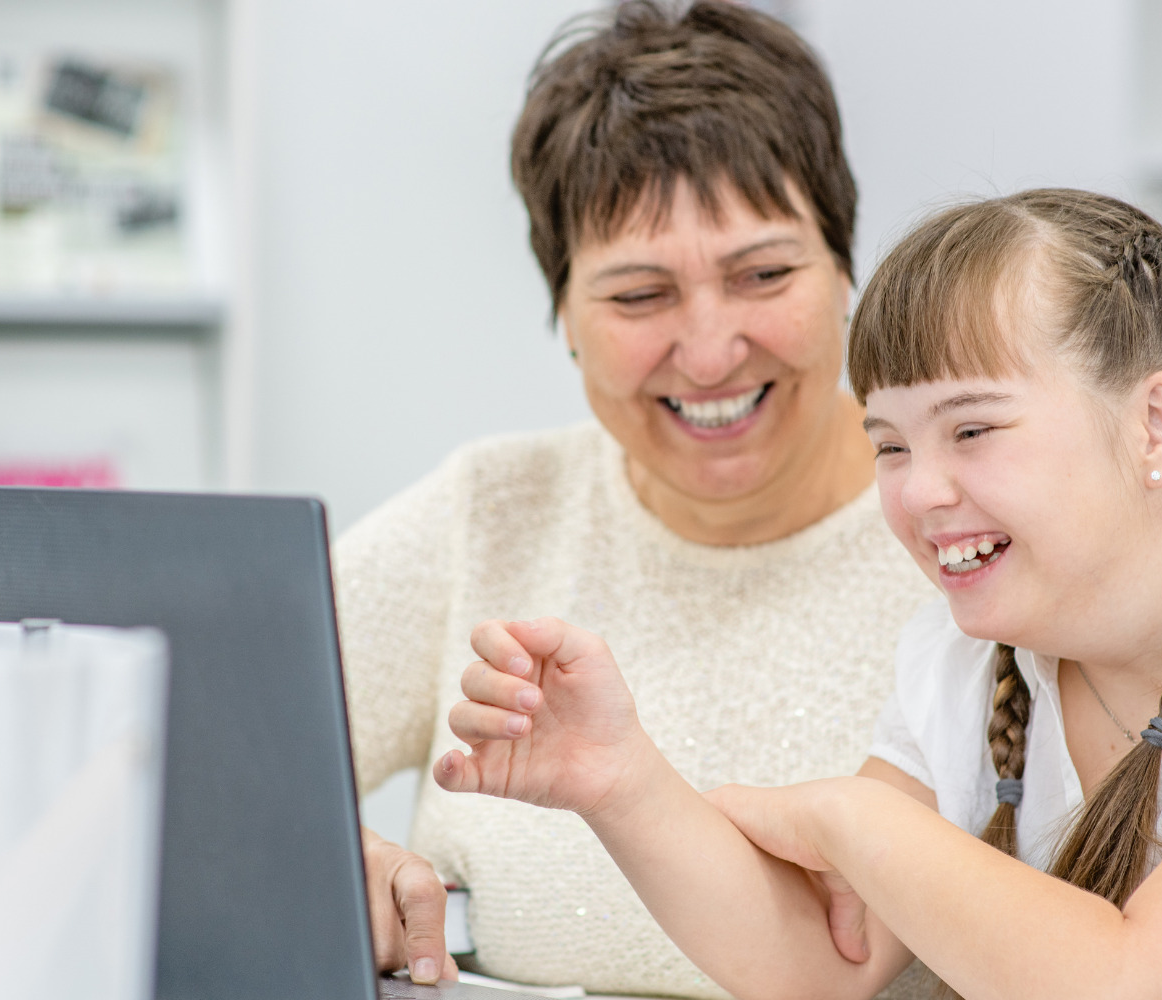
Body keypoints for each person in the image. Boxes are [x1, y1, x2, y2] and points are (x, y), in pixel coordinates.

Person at [437, 189, 1162, 999]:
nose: (921, 493)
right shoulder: (966, 659)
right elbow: (826, 959)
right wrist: (618, 779)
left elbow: (1138, 987)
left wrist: (853, 817)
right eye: (888, 445)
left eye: (973, 430)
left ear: (1155, 426)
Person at [336, 3, 934, 996]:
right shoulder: (488, 511)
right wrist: (319, 854)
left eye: (764, 273)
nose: (708, 351)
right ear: (563, 317)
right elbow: (174, 752)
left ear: (844, 271)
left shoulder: (971, 531)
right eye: (638, 296)